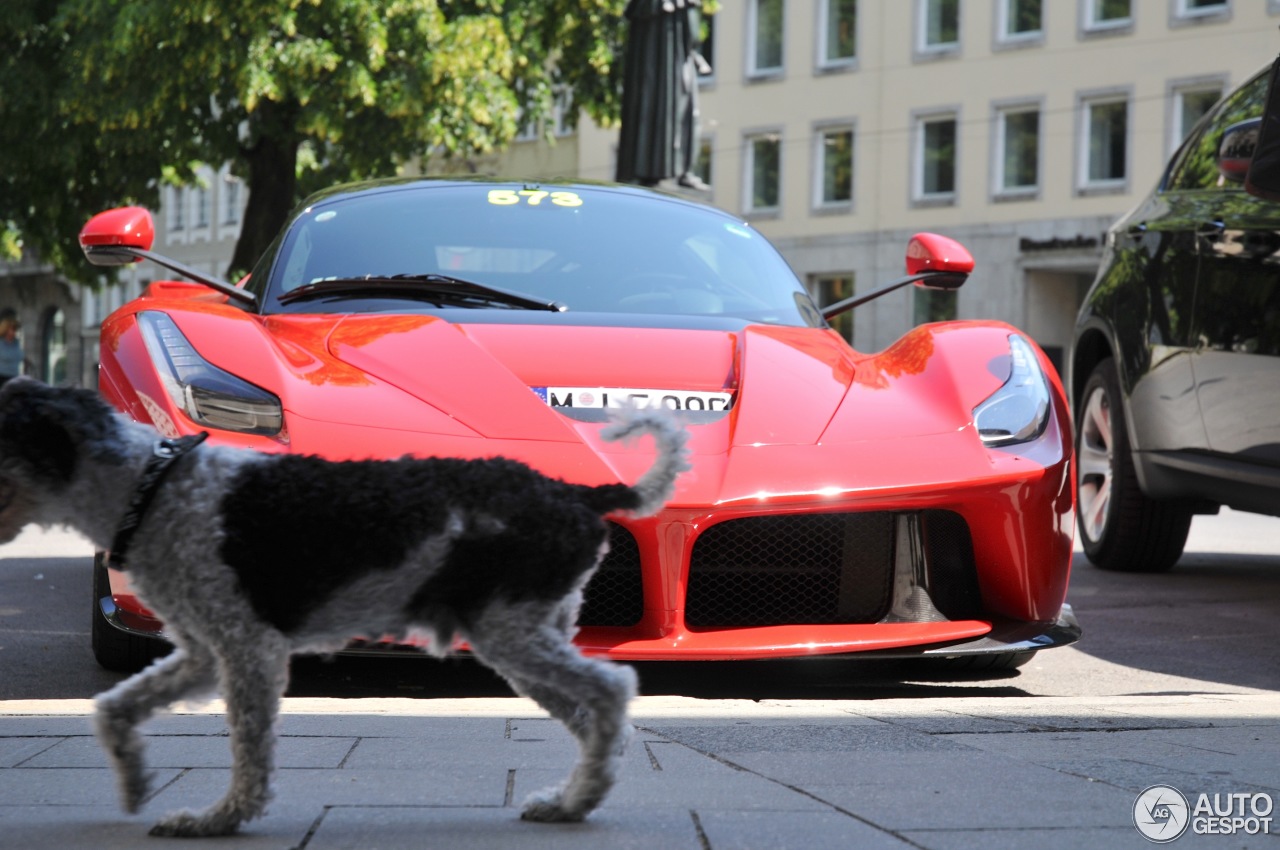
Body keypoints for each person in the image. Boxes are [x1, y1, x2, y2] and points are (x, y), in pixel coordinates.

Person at [615, 0, 711, 189]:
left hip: (658, 71)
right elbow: (691, 35)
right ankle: (678, 170)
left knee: (657, 108)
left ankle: (645, 169)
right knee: (679, 109)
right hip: (672, 69)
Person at [0, 309, 24, 386]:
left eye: (15, 329)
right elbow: (7, 356)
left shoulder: (16, 343)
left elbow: (20, 357)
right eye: (12, 329)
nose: (14, 332)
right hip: (2, 376)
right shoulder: (1, 343)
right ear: (6, 330)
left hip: (14, 376)